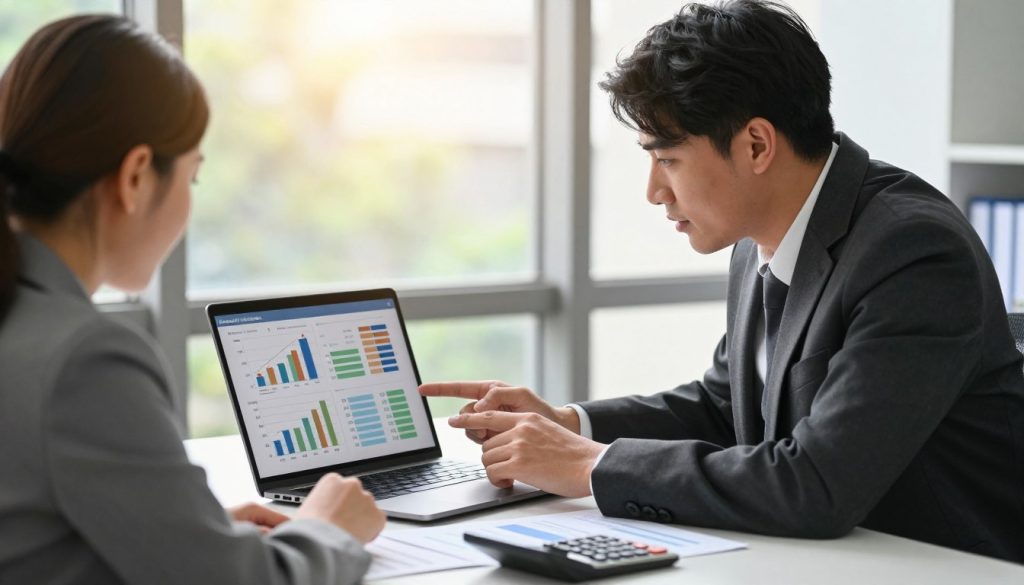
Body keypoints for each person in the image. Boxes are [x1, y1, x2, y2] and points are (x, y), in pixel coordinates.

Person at [420, 0, 1024, 562]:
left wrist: (590, 465)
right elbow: (723, 406)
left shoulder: (913, 251)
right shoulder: (761, 233)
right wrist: (570, 424)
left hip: (945, 566)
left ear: (756, 144)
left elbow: (818, 484)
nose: (654, 191)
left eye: (668, 159)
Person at [0, 15, 385, 584]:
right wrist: (328, 528)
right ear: (135, 177)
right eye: (193, 177)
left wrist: (183, 531)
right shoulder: (83, 360)